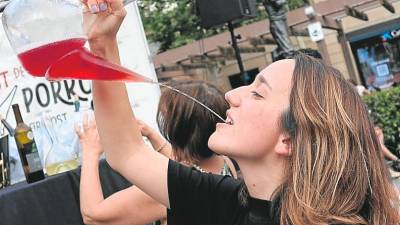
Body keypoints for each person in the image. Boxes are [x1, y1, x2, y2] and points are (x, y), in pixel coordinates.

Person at [84, 1, 400, 224]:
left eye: (257, 92)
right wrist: (103, 43)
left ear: (288, 140)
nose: (231, 95)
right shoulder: (226, 201)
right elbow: (125, 151)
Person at [77, 80, 237, 225]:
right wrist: (151, 134)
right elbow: (184, 168)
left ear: (178, 132)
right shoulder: (223, 161)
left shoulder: (169, 191)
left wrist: (90, 151)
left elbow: (94, 216)